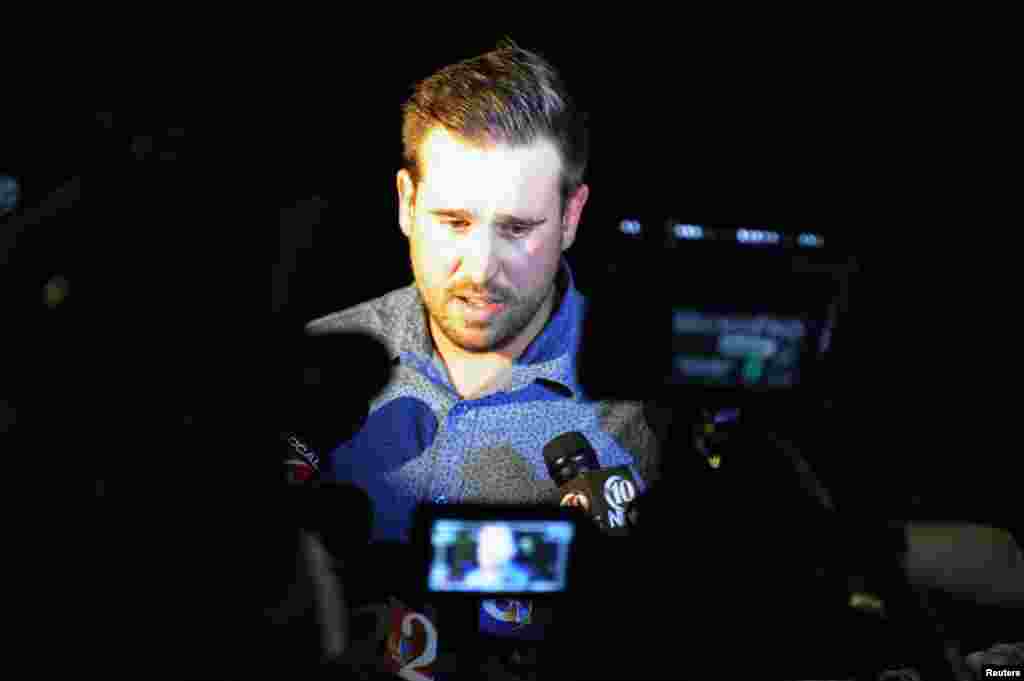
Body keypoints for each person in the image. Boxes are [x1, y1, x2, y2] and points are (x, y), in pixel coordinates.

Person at [303, 37, 661, 675]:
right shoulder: (307, 370)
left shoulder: (652, 410)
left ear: (571, 215)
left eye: (517, 229)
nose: (480, 270)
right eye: (453, 222)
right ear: (407, 203)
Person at [460, 524, 533, 591]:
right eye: (481, 545)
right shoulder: (471, 581)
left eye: (489, 544)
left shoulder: (521, 580)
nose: (480, 551)